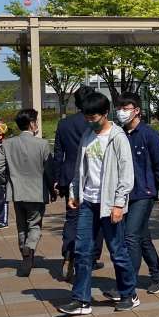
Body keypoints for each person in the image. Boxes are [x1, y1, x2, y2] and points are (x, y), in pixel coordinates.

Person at [58, 92, 137, 315]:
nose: (90, 121)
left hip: (109, 203)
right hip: (88, 202)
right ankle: (81, 300)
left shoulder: (117, 137)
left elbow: (126, 174)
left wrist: (119, 204)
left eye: (93, 117)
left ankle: (129, 293)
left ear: (105, 113)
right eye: (86, 117)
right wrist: (74, 192)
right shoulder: (87, 135)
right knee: (82, 252)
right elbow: (79, 168)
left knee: (117, 251)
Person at [103, 91, 159, 301]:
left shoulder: (149, 134)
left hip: (144, 193)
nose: (121, 112)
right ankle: (158, 276)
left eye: (126, 108)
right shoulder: (117, 134)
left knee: (130, 236)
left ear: (137, 110)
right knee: (142, 237)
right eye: (119, 108)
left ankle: (125, 285)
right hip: (124, 194)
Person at [0, 109, 56, 277]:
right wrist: (52, 190)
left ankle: (24, 253)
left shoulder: (8, 144)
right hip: (37, 192)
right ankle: (29, 247)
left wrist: (5, 182)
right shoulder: (42, 144)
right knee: (34, 224)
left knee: (21, 225)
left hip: (16, 192)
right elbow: (49, 171)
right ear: (32, 123)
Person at [53, 85, 104, 281]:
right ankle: (91, 257)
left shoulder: (64, 124)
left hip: (69, 176)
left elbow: (58, 154)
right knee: (97, 219)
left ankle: (68, 254)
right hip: (93, 176)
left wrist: (57, 179)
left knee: (72, 218)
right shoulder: (95, 123)